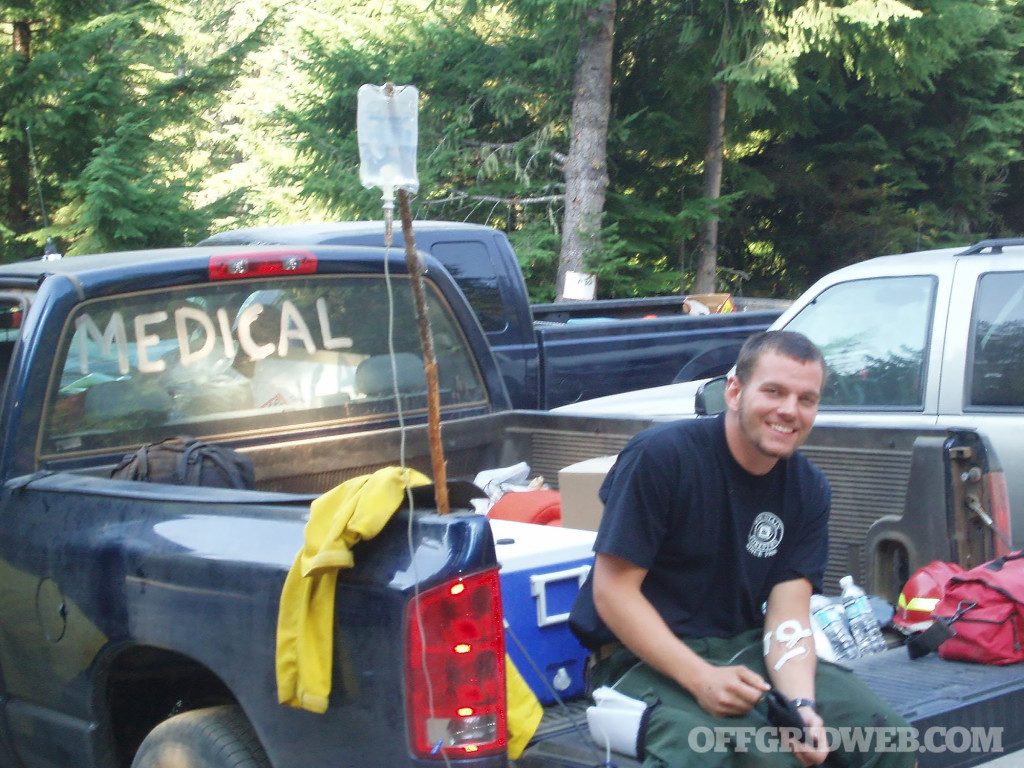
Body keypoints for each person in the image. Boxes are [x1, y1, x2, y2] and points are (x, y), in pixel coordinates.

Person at [569, 330, 915, 768]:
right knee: (753, 758)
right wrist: (701, 679)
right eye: (774, 391)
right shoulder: (661, 457)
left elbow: (787, 616)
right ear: (734, 391)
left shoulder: (808, 489)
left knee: (888, 738)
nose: (789, 410)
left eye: (806, 399)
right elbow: (612, 594)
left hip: (746, 647)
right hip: (636, 658)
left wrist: (801, 705)